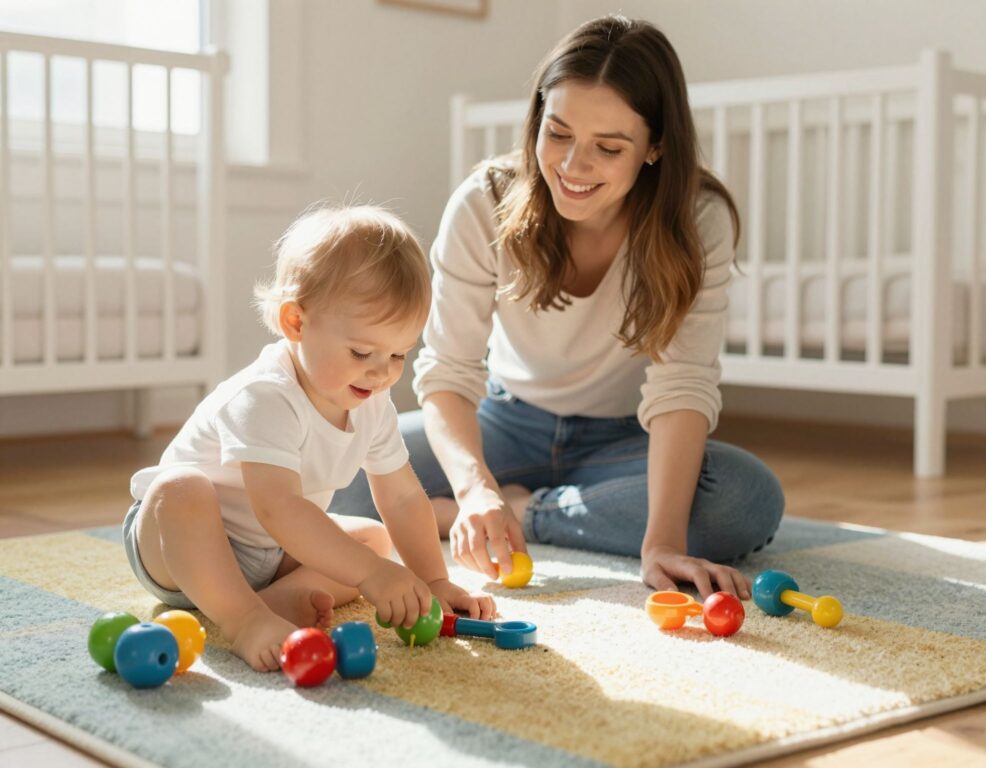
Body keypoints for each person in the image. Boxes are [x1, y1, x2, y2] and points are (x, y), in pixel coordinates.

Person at [330, 15, 785, 599]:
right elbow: (448, 372)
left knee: (746, 498)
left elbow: (683, 388)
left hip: (624, 442)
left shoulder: (698, 219)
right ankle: (496, 509)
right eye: (559, 133)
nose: (572, 166)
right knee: (339, 478)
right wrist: (474, 489)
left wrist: (663, 543)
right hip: (503, 421)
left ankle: (530, 512)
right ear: (537, 118)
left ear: (656, 146)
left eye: (609, 147)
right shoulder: (483, 203)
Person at [124, 204, 495, 673]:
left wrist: (432, 578)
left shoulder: (371, 402)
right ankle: (243, 620)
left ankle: (274, 600)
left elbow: (401, 497)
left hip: (272, 554)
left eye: (398, 353)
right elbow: (277, 507)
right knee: (180, 490)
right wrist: (371, 576)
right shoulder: (264, 395)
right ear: (295, 323)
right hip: (178, 548)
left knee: (373, 542)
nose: (382, 373)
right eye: (362, 351)